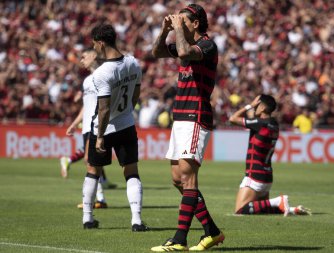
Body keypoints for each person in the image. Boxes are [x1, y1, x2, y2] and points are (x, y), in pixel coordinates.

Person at [151, 4, 224, 251]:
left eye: (184, 20)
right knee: (177, 179)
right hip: (180, 116)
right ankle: (212, 232)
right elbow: (156, 51)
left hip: (196, 115)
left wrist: (178, 30)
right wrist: (164, 31)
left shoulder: (207, 45)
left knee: (188, 177)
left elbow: (183, 52)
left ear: (195, 24)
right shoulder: (185, 41)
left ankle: (179, 239)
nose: (178, 23)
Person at [82, 23, 148, 231]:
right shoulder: (132, 63)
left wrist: (100, 136)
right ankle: (136, 221)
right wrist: (128, 110)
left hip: (105, 128)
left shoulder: (101, 74)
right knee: (131, 172)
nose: (94, 48)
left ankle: (88, 218)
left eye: (94, 44)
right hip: (126, 124)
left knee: (93, 170)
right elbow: (137, 93)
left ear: (101, 43)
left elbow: (103, 109)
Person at [229, 94, 312, 216]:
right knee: (261, 209)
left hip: (254, 175)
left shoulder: (260, 123)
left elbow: (232, 119)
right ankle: (291, 209)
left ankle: (279, 200)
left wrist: (249, 106)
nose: (254, 108)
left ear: (262, 107)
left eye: (256, 106)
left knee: (240, 210)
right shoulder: (274, 124)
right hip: (267, 177)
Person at [63, 49, 115, 209]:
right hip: (86, 126)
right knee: (91, 161)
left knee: (90, 160)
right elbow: (86, 106)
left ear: (93, 56)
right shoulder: (86, 81)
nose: (81, 60)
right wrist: (74, 123)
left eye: (84, 56)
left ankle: (95, 200)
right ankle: (99, 199)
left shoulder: (104, 76)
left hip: (98, 126)